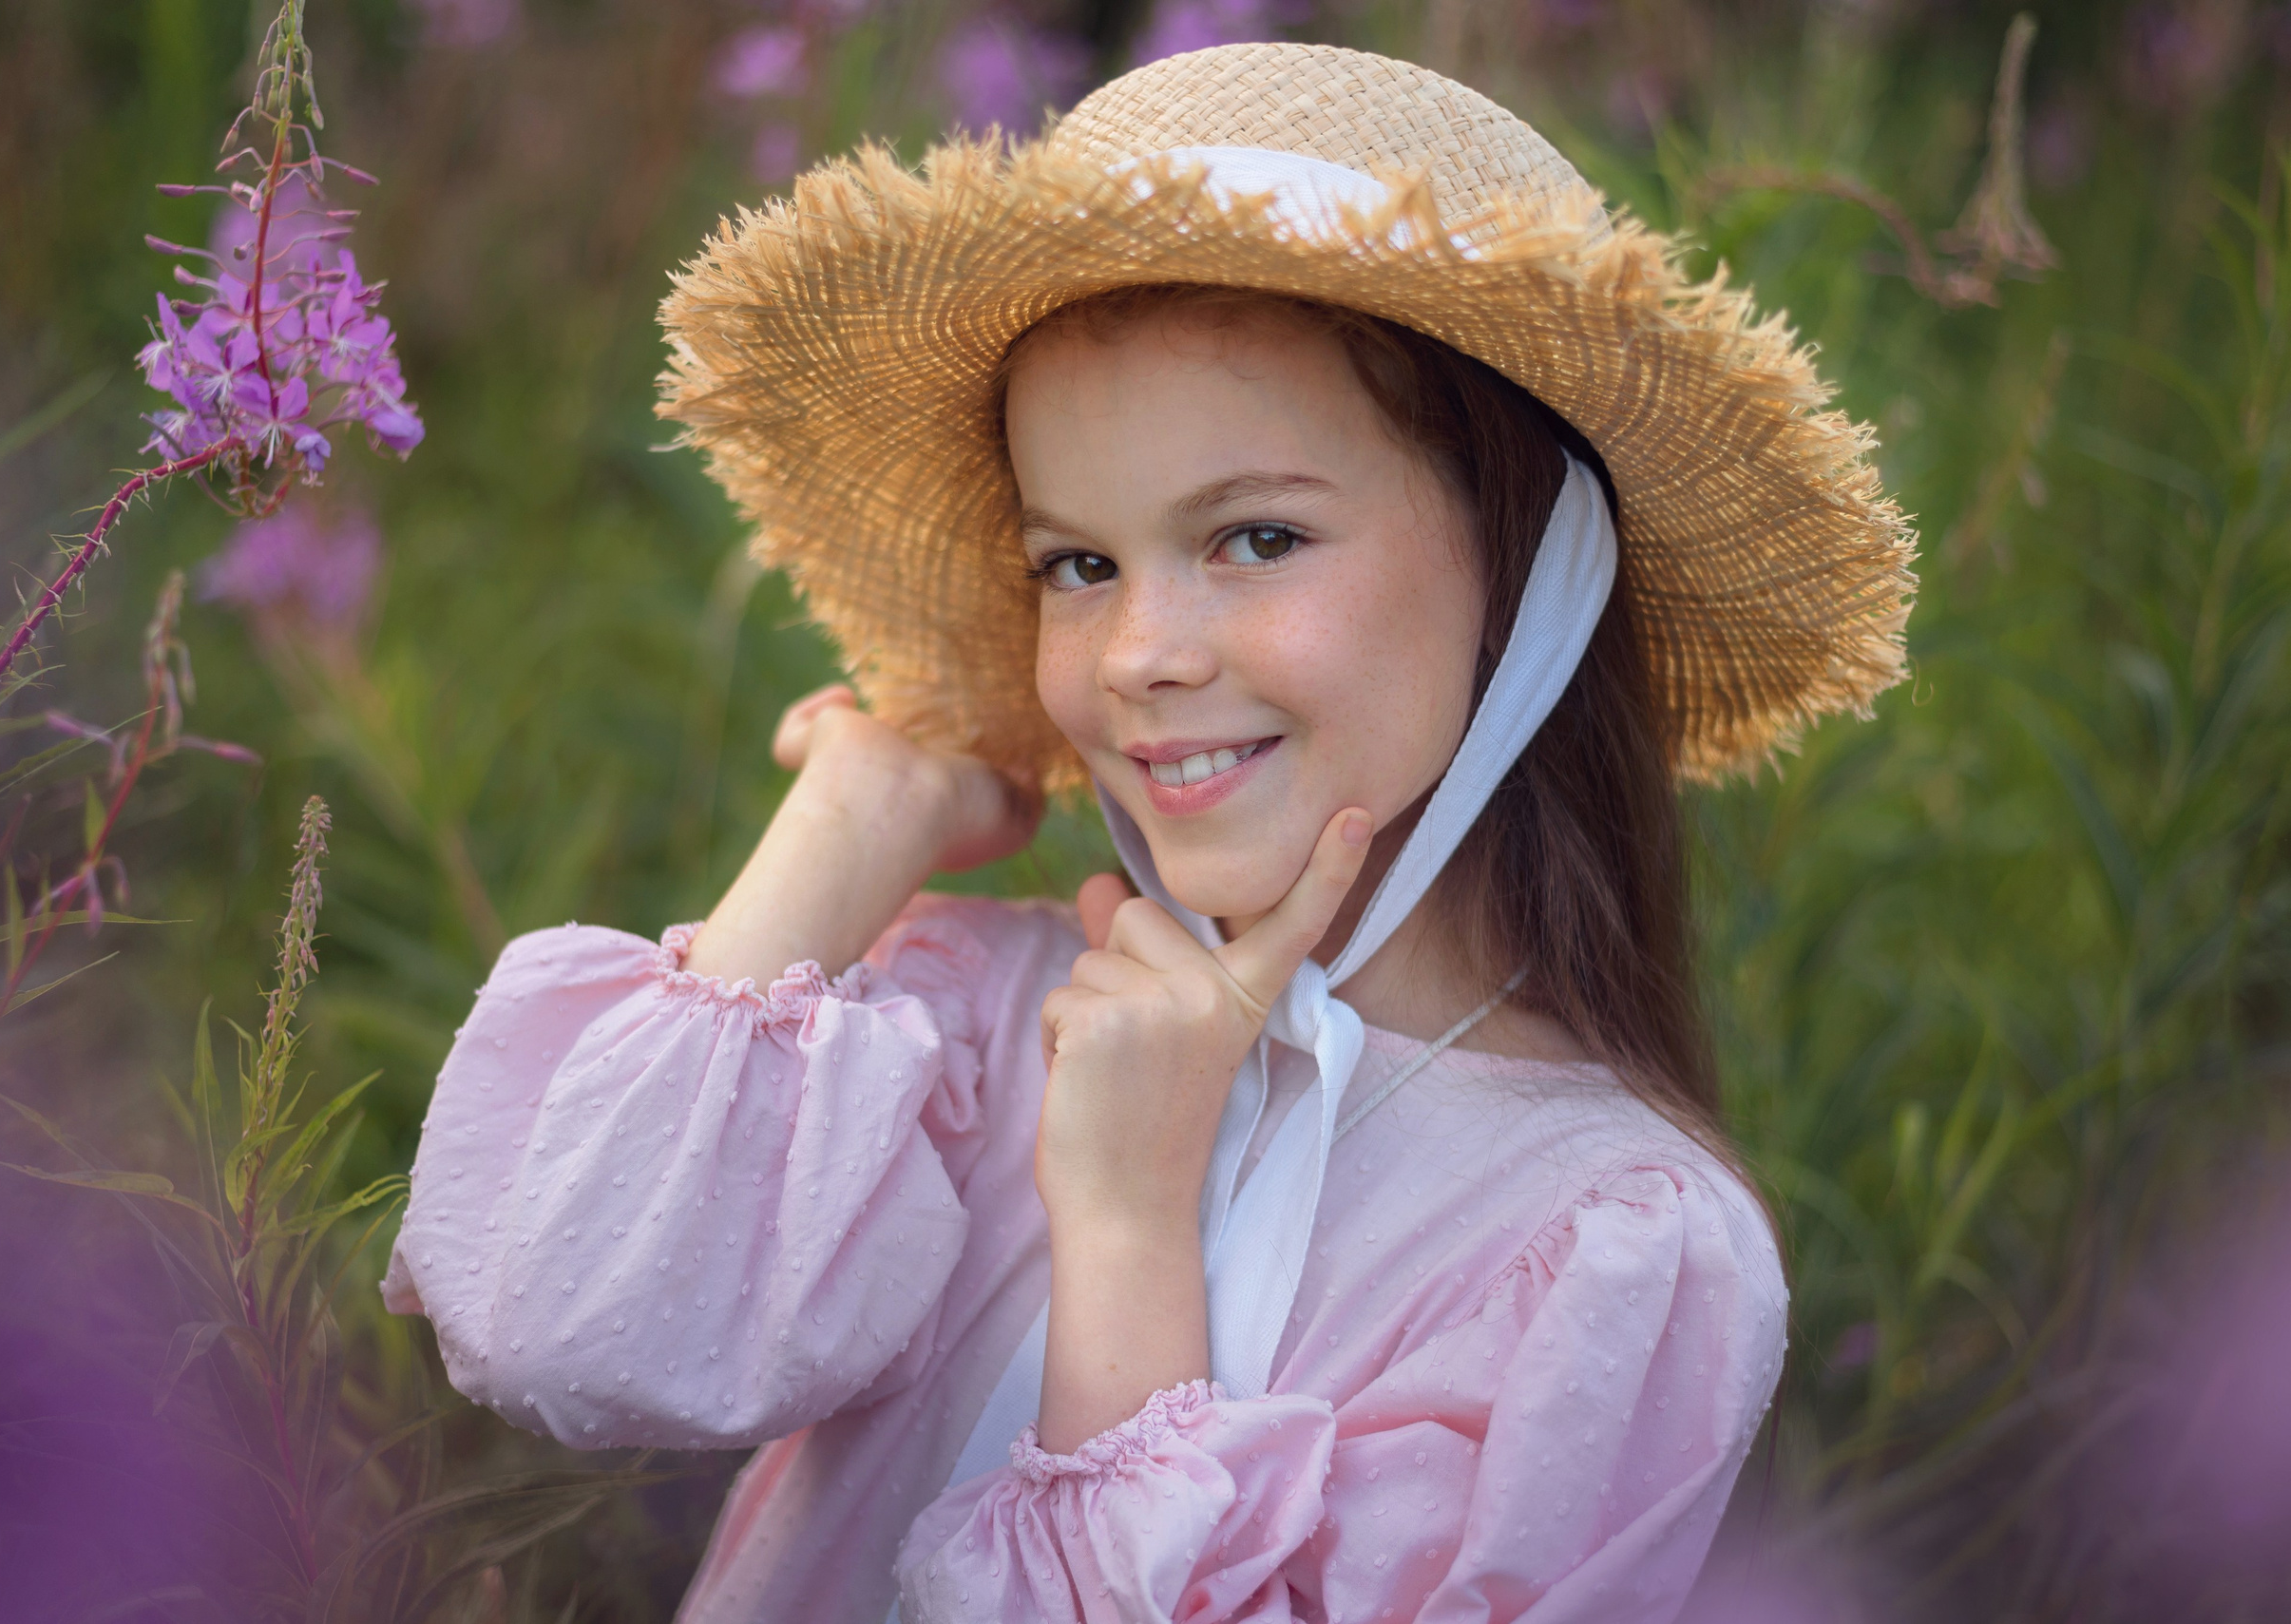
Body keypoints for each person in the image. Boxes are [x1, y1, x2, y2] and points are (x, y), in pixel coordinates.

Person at [383, 40, 1914, 1624]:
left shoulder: (1607, 1249)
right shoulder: (976, 1023)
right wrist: (856, 811)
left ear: (1520, 567)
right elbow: (551, 1320)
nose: (1137, 656)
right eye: (1076, 564)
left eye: (1256, 536)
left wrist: (1124, 1224)